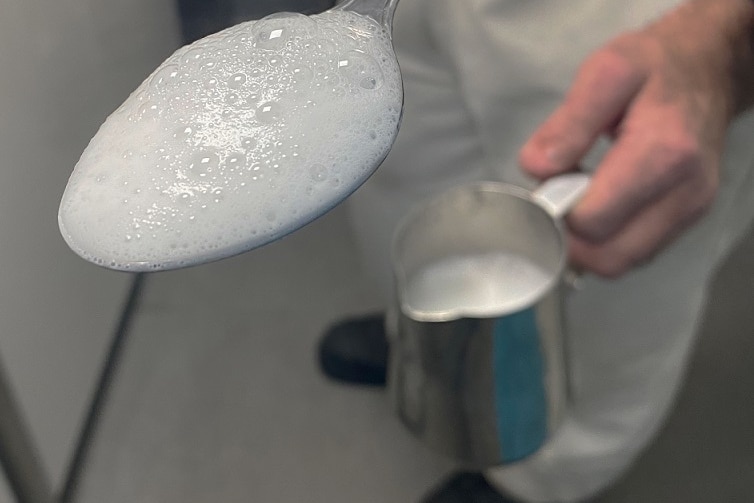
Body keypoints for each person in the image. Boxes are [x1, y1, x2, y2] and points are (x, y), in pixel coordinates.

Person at [319, 0, 754, 501]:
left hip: (646, 23)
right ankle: (426, 348)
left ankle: (540, 481)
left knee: (604, 291)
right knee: (399, 182)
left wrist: (719, 43)